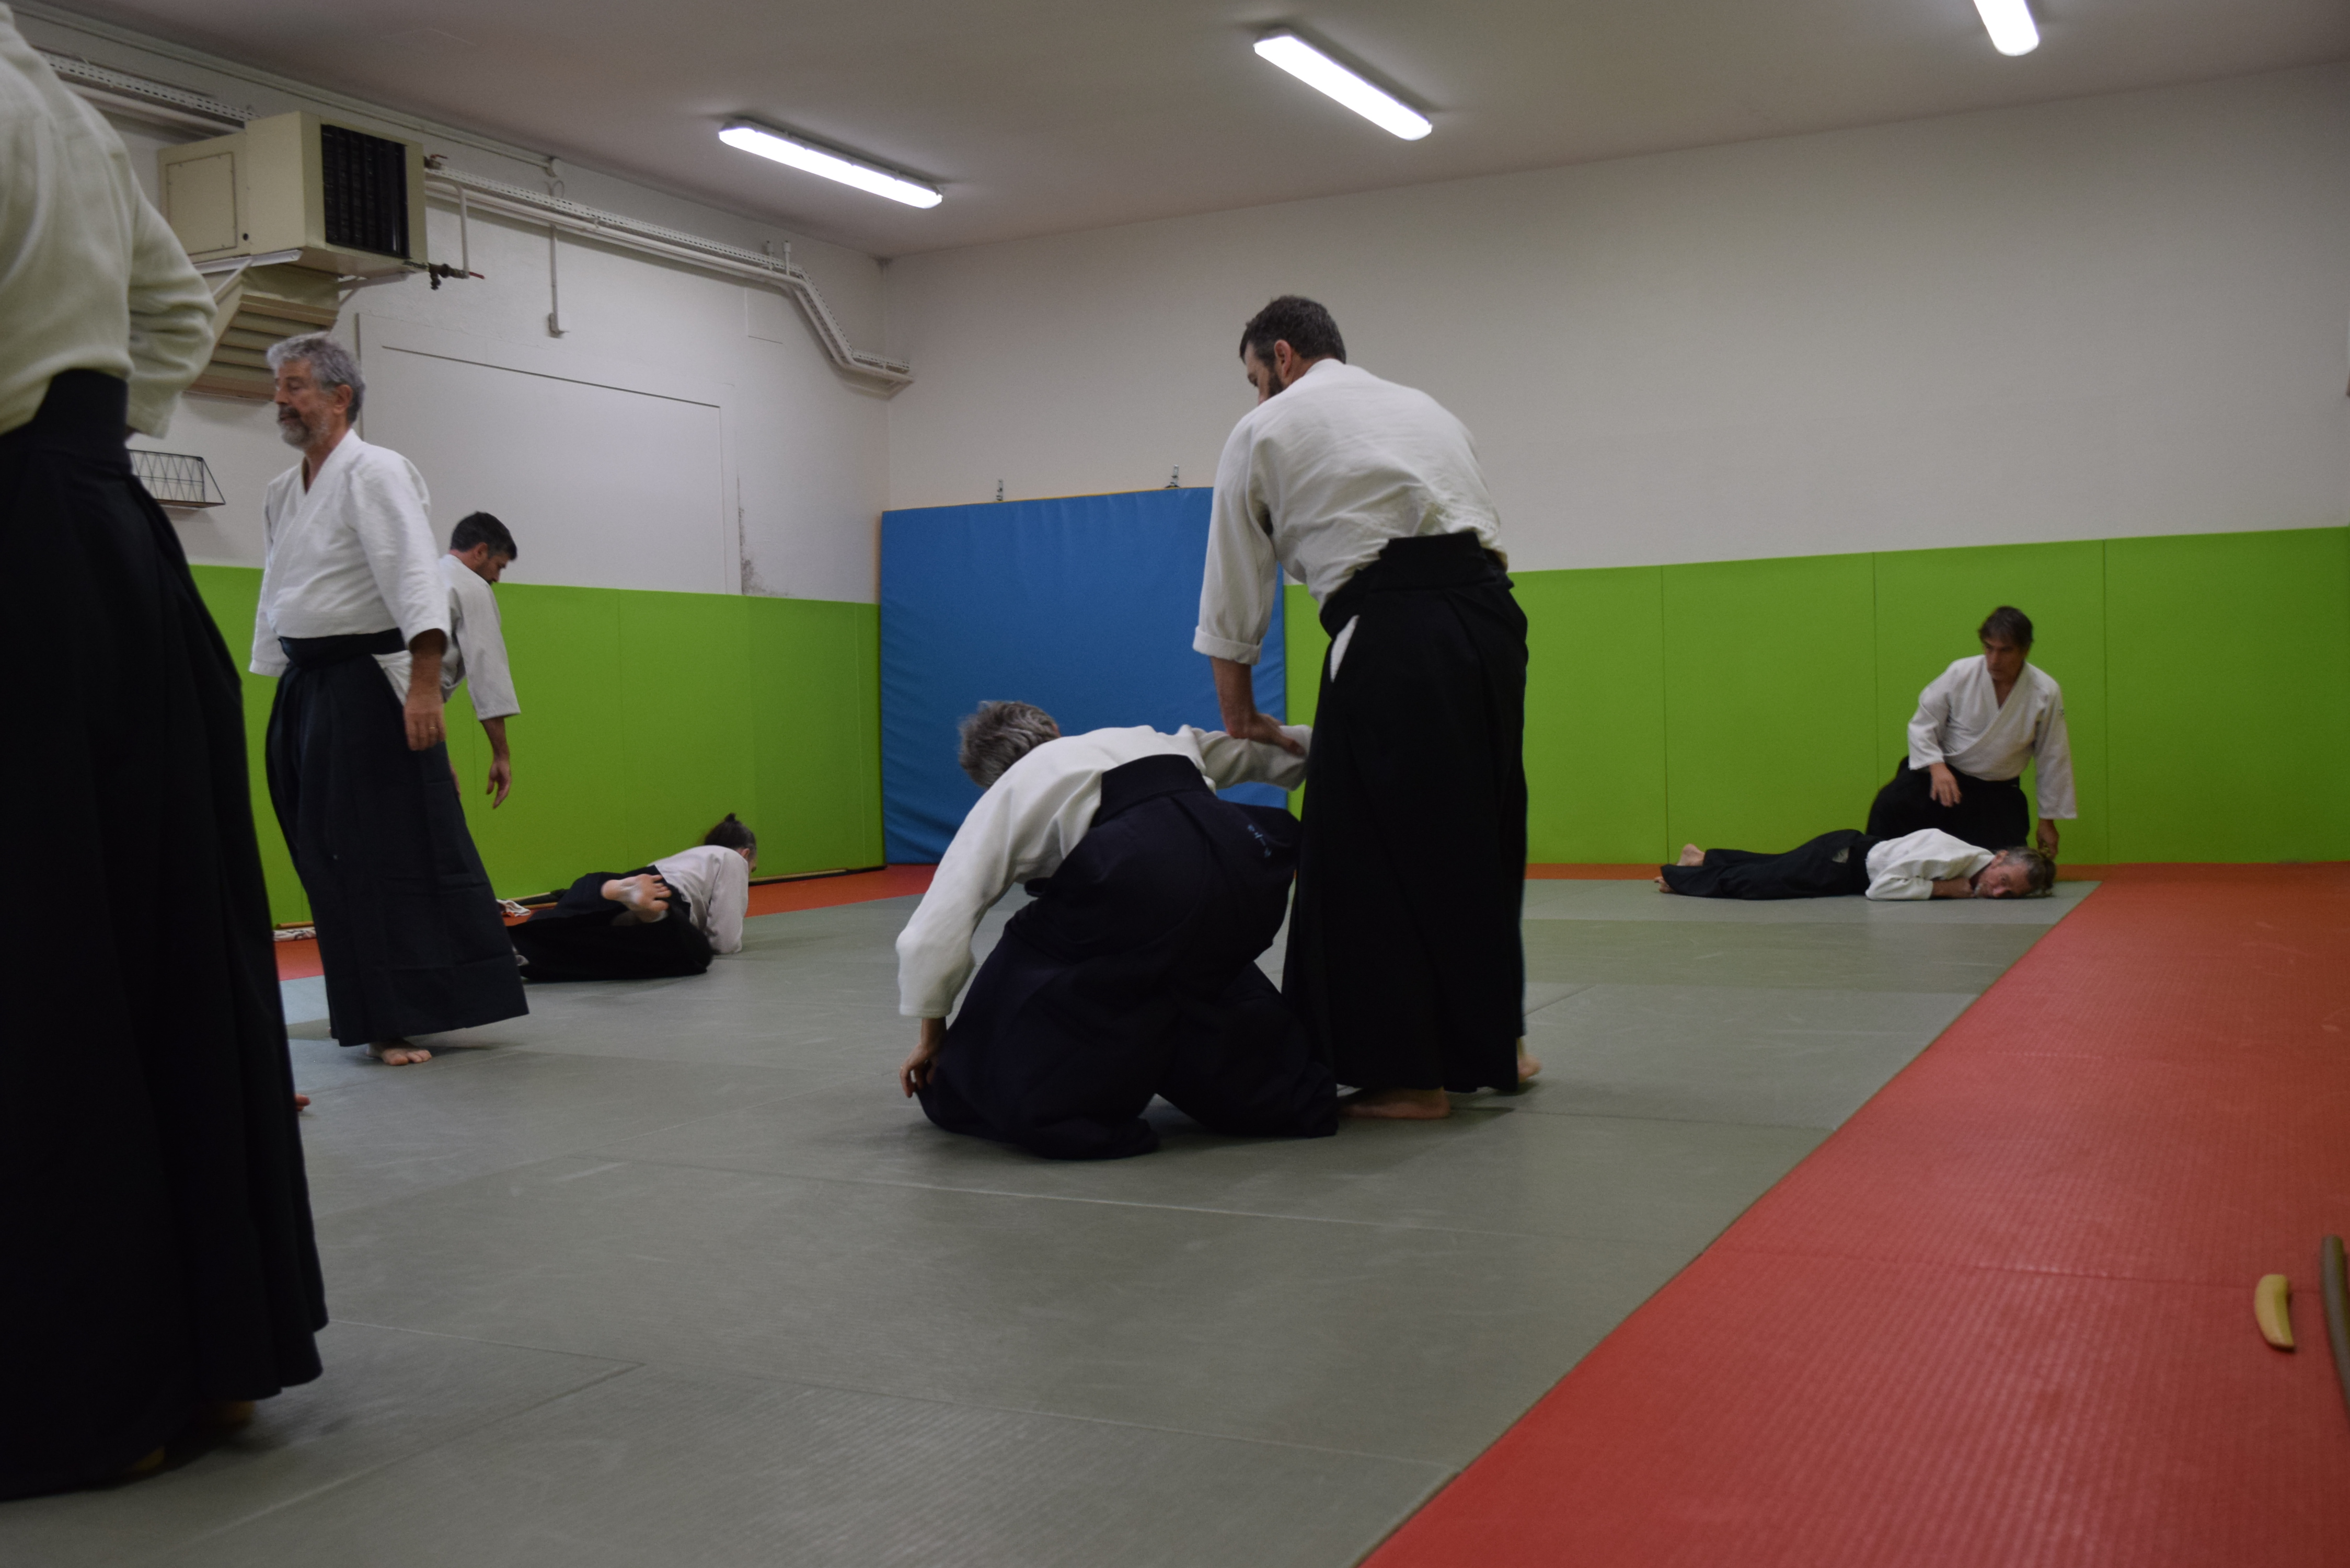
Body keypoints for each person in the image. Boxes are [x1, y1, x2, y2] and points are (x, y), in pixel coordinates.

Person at [0, 11, 326, 1496]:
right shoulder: (54, 100)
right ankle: (208, 1360)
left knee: (45, 961)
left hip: (19, 537)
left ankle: (84, 1388)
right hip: (110, 540)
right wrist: (90, 428)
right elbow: (177, 314)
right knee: (158, 947)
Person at [1193, 294, 1530, 1121]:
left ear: (1282, 356)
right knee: (1477, 829)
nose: (1256, 395)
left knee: (1364, 853)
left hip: (1394, 627)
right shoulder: (1426, 408)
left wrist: (1241, 719)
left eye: (1255, 378)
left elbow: (1234, 589)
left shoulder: (1265, 428)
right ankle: (1499, 1046)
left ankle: (1410, 1077)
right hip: (1493, 621)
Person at [252, 332, 526, 1067]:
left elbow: (413, 574)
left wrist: (424, 686)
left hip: (365, 687)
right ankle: (373, 1008)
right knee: (324, 854)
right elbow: (276, 587)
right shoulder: (283, 491)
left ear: (340, 397)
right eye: (279, 386)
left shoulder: (376, 471)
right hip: (308, 687)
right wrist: (276, 671)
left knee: (381, 854)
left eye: (295, 385)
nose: (281, 399)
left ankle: (397, 1017)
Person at [895, 702, 1334, 1161]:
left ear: (989, 778)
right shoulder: (1146, 737)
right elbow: (1273, 750)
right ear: (1054, 727)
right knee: (1194, 966)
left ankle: (1049, 1104)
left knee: (1038, 951)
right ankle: (1284, 1092)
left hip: (1137, 877)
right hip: (1248, 862)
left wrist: (933, 1036)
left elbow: (934, 932)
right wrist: (1324, 741)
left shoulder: (1008, 791)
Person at [1867, 606, 2073, 858]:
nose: (1994, 660)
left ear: (2025, 650)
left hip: (1997, 793)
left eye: (2005, 650)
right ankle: (1875, 869)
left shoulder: (2045, 691)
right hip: (1944, 778)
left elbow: (2053, 756)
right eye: (1989, 648)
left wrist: (2048, 821)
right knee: (1890, 804)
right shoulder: (1961, 673)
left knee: (2004, 864)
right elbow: (1923, 723)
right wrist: (1937, 767)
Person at [511, 814, 756, 981]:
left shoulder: (686, 859)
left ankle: (521, 951)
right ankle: (654, 916)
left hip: (617, 883)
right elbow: (724, 942)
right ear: (745, 854)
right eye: (752, 870)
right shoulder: (733, 859)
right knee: (697, 955)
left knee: (572, 935)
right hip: (665, 896)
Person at [1658, 830, 2055, 901]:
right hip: (1845, 861)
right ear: (1999, 857)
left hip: (1848, 857)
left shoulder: (1975, 870)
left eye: (2009, 893)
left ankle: (1701, 858)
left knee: (1772, 866)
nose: (1997, 892)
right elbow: (1880, 888)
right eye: (2003, 880)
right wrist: (1941, 889)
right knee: (1759, 884)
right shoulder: (1952, 859)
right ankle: (1681, 878)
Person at [441, 510, 520, 807]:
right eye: (498, 566)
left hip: (371, 705)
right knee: (439, 811)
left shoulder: (424, 577)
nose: (497, 578)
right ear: (480, 552)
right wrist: (501, 755)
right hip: (412, 711)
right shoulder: (471, 586)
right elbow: (488, 675)